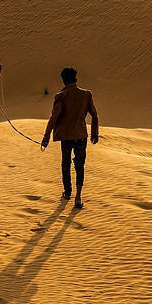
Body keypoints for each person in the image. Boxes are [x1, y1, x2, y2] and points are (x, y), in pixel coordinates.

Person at [40, 67, 99, 209]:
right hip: (81, 136)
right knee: (80, 166)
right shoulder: (86, 95)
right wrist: (94, 133)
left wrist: (46, 137)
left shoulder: (60, 97)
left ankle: (67, 193)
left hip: (66, 137)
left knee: (65, 164)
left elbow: (53, 119)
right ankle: (78, 197)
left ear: (63, 80)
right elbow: (94, 115)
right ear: (76, 79)